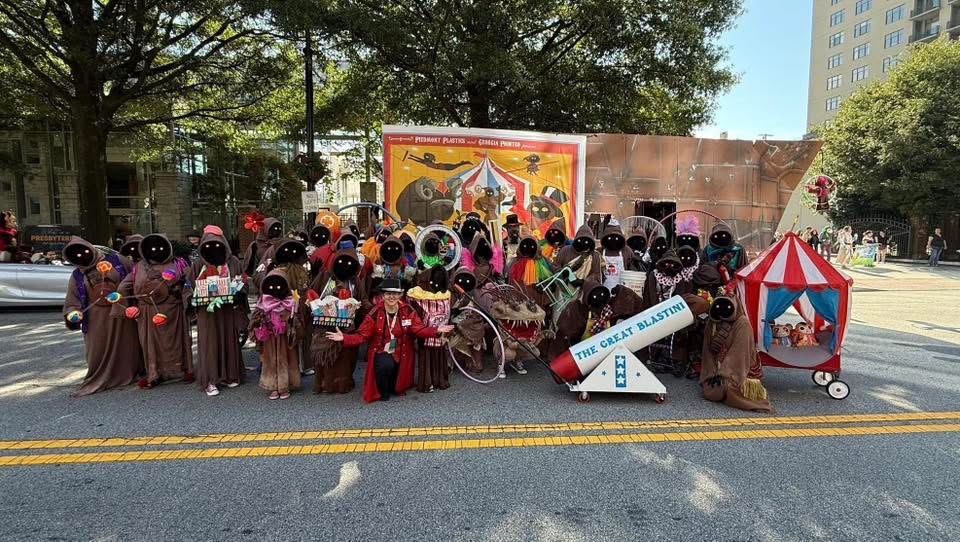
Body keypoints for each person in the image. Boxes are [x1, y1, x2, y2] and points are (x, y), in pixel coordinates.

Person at [325, 278, 453, 403]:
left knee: (398, 376)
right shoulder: (375, 312)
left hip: (402, 351)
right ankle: (383, 391)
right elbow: (362, 335)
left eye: (395, 294)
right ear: (383, 295)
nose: (392, 297)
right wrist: (345, 338)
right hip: (382, 350)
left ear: (400, 295)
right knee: (385, 364)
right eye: (388, 293)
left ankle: (394, 386)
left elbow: (419, 329)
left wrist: (436, 330)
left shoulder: (408, 310)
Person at [62, 237, 140, 396]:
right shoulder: (77, 275)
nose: (81, 256)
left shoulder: (117, 261)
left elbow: (136, 277)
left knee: (127, 345)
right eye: (75, 255)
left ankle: (129, 373)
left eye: (84, 251)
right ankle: (100, 376)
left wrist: (136, 302)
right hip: (95, 317)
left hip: (120, 312)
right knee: (97, 348)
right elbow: (72, 300)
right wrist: (73, 313)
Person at [115, 234, 194, 388]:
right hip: (148, 312)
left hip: (174, 310)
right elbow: (124, 286)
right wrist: (125, 306)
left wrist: (188, 299)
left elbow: (189, 282)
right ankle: (154, 373)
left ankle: (186, 369)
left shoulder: (178, 263)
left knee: (178, 342)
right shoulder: (139, 267)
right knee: (150, 345)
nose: (156, 251)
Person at [191, 225, 248, 396]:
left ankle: (230, 374)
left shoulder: (233, 262)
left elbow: (243, 281)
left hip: (228, 310)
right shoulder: (198, 264)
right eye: (208, 245)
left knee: (229, 339)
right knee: (209, 343)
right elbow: (188, 287)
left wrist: (239, 293)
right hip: (207, 313)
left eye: (217, 245)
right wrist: (193, 297)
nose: (213, 248)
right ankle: (210, 380)